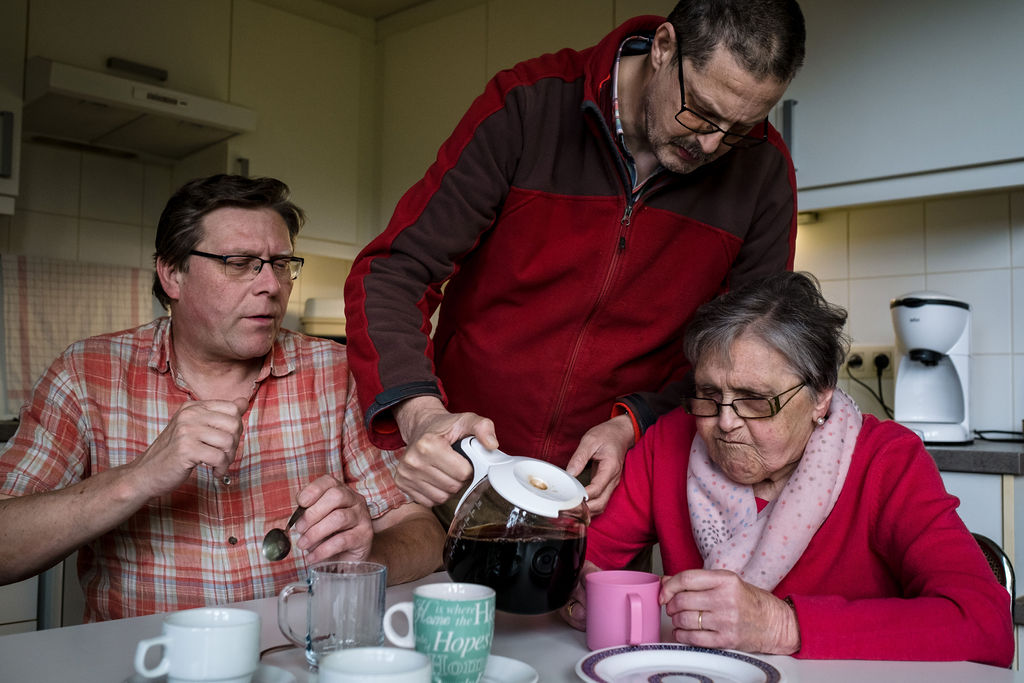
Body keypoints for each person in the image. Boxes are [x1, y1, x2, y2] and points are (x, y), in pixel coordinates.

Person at [344, 0, 806, 521]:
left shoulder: (763, 170)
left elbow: (750, 350)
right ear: (664, 47)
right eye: (699, 110)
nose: (711, 143)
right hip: (463, 469)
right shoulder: (528, 107)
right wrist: (422, 414)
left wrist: (633, 424)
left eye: (740, 128)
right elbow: (391, 272)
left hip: (605, 492)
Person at [0, 174, 444, 622]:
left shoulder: (336, 372)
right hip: (146, 664)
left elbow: (423, 533)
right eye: (240, 262)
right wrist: (138, 478)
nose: (271, 284)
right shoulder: (86, 374)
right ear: (172, 274)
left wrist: (368, 556)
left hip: (295, 659)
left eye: (281, 263)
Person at [560, 271, 1014, 666]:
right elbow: (589, 557)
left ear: (820, 396)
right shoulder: (672, 441)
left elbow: (985, 626)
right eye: (709, 394)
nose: (724, 422)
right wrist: (572, 582)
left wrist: (782, 625)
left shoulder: (886, 461)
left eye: (755, 400)